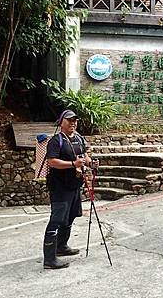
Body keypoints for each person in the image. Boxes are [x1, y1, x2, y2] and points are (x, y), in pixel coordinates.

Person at [42, 109, 92, 269]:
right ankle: (49, 260)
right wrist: (72, 164)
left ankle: (61, 247)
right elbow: (52, 161)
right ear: (61, 122)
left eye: (75, 120)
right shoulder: (56, 141)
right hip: (60, 187)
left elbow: (85, 154)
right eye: (69, 120)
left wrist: (89, 162)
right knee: (56, 220)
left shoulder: (79, 138)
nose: (73, 123)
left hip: (74, 185)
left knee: (70, 217)